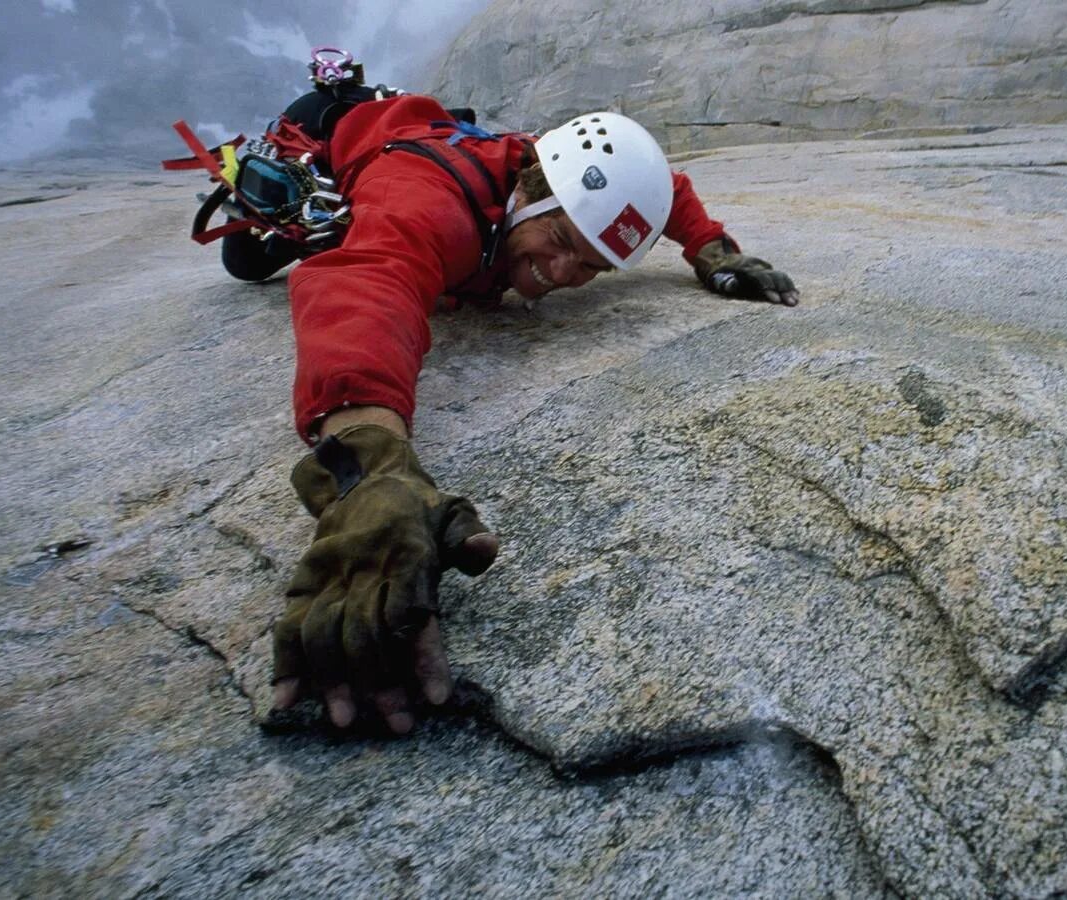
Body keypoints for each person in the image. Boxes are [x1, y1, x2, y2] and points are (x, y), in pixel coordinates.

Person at [260, 90, 799, 734]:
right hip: (355, 128)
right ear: (529, 190)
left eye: (593, 267)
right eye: (561, 238)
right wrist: (367, 466)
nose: (562, 273)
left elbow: (667, 187)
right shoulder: (429, 199)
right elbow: (368, 283)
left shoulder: (554, 179)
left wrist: (712, 250)